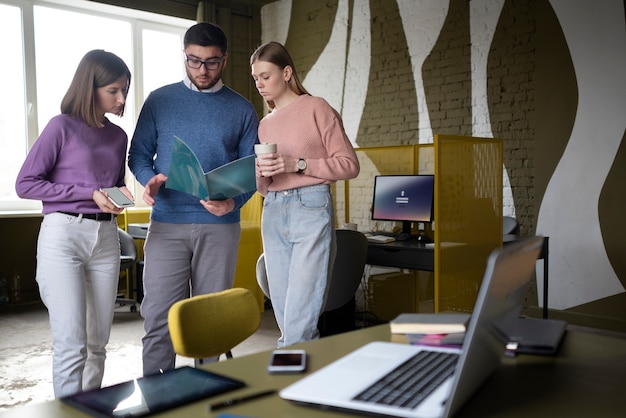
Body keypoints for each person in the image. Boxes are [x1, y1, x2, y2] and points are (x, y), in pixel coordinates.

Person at [128, 22, 259, 376]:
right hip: (167, 223)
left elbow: (253, 170)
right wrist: (148, 181)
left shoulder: (243, 109)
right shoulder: (159, 100)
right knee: (158, 317)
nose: (203, 70)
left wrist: (234, 202)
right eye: (194, 61)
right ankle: (157, 399)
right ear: (184, 56)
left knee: (210, 322)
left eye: (212, 62)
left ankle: (204, 396)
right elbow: (138, 154)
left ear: (225, 60)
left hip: (221, 226)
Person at [15, 50, 133, 398]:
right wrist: (90, 192)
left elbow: (108, 188)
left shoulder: (118, 136)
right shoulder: (60, 126)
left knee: (98, 342)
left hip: (107, 238)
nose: (122, 98)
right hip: (63, 236)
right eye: (113, 90)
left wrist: (117, 196)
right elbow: (26, 184)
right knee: (72, 342)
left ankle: (89, 407)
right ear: (89, 86)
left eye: (124, 89)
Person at [250, 41, 360, 347]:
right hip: (272, 210)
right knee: (286, 317)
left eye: (266, 76)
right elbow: (264, 188)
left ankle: (294, 383)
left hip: (310, 206)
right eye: (255, 78)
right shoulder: (264, 125)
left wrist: (296, 164)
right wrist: (261, 171)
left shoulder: (317, 108)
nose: (259, 84)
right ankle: (297, 380)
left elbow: (350, 165)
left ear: (286, 73)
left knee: (300, 319)